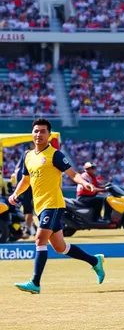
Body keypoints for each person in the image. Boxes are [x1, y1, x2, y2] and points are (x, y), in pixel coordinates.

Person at [9, 119, 106, 294]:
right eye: (36, 131)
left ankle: (35, 283)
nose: (39, 134)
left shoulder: (56, 155)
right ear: (32, 133)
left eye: (43, 131)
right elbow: (25, 180)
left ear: (49, 135)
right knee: (60, 247)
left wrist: (84, 183)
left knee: (39, 239)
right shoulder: (28, 156)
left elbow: (72, 173)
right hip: (39, 206)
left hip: (53, 204)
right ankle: (94, 261)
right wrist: (15, 194)